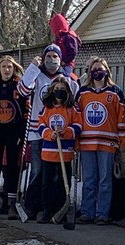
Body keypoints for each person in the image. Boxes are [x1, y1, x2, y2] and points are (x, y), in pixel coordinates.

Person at [17, 43, 80, 220]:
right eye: (49, 56)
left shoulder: (66, 79)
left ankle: (54, 206)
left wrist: (69, 130)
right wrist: (32, 68)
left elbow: (75, 102)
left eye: (55, 57)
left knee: (58, 174)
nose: (52, 60)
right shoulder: (37, 75)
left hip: (61, 133)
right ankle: (32, 205)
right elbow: (22, 90)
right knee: (38, 171)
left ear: (60, 60)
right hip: (39, 131)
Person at [76, 57, 125, 225]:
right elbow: (76, 118)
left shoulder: (115, 92)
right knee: (89, 179)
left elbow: (122, 118)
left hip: (107, 142)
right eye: (94, 68)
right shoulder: (82, 92)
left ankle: (102, 213)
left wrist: (123, 142)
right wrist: (75, 140)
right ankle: (87, 212)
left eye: (101, 68)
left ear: (107, 71)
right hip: (87, 143)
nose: (97, 71)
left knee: (105, 180)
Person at [37, 76, 82, 224]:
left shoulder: (71, 108)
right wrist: (50, 134)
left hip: (65, 152)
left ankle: (60, 211)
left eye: (62, 90)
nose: (59, 92)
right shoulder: (47, 108)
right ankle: (46, 211)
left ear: (67, 91)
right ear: (52, 91)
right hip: (49, 152)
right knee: (46, 183)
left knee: (63, 183)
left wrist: (65, 132)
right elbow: (41, 125)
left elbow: (78, 125)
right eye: (56, 90)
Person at [0, 55, 28, 220]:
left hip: (13, 133)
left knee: (12, 167)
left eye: (10, 67)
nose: (7, 70)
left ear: (14, 69)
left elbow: (26, 111)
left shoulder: (19, 86)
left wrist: (21, 132)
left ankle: (12, 204)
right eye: (4, 66)